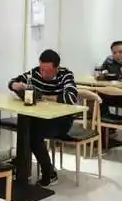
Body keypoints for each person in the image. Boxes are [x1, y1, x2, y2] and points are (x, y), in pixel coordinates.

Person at [8, 49, 78, 187]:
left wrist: (43, 96)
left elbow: (70, 97)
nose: (44, 74)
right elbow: (12, 82)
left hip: (61, 121)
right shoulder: (35, 73)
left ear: (57, 68)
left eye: (48, 71)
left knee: (32, 133)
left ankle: (48, 172)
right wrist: (15, 85)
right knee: (26, 127)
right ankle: (22, 167)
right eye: (42, 69)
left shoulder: (66, 75)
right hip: (40, 118)